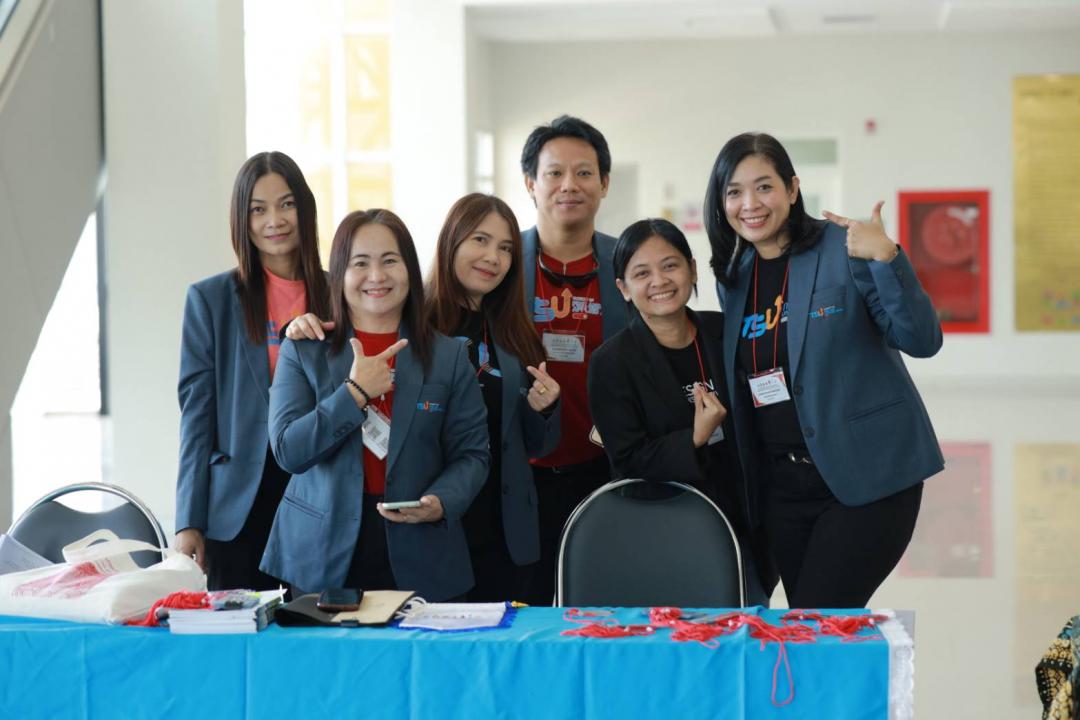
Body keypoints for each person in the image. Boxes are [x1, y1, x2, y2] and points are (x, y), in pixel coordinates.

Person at [703, 132, 944, 609]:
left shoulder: (844, 249)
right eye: (734, 192)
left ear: (793, 189)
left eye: (764, 186)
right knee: (814, 629)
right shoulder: (735, 276)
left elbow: (921, 340)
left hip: (864, 476)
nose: (750, 204)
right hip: (784, 491)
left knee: (815, 620)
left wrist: (888, 258)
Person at [260, 209, 489, 600]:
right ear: (339, 274)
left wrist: (440, 502)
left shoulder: (448, 356)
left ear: (410, 270)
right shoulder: (304, 350)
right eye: (360, 263)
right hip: (321, 550)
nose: (377, 276)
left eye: (390, 261)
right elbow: (288, 451)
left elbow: (473, 454)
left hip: (421, 545)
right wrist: (353, 393)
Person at [587, 218, 773, 604]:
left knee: (744, 631)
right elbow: (628, 460)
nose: (660, 281)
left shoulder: (726, 332)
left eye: (670, 265)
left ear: (691, 268)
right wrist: (694, 438)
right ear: (623, 288)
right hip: (661, 530)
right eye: (642, 273)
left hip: (744, 526)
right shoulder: (612, 362)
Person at [175, 151, 330, 591]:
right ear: (241, 220)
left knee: (312, 629)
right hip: (237, 508)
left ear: (305, 209)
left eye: (286, 204)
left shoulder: (340, 292)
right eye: (258, 210)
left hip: (319, 498)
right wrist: (189, 520)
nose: (274, 221)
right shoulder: (211, 300)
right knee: (236, 630)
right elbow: (196, 418)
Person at [425, 193, 562, 602]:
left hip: (504, 531)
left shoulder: (515, 333)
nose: (493, 258)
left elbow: (537, 445)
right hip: (435, 522)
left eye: (505, 248)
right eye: (480, 240)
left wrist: (544, 410)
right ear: (452, 240)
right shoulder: (416, 324)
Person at [518, 115, 630, 605]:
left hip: (602, 471)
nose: (569, 185)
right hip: (518, 477)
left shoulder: (628, 263)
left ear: (604, 183)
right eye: (554, 173)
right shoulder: (500, 264)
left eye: (584, 173)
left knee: (598, 613)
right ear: (530, 183)